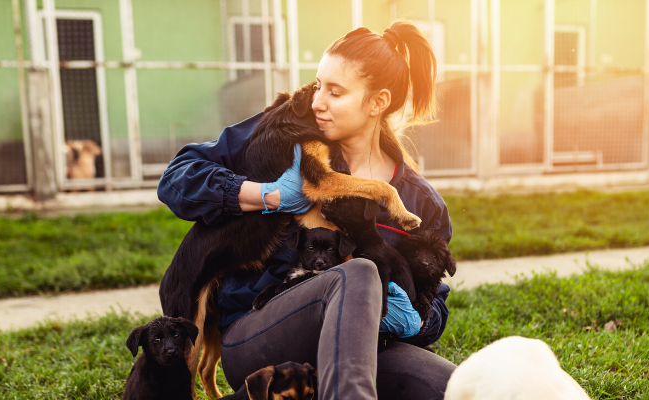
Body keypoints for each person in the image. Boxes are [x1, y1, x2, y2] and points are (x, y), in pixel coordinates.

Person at [158, 21, 455, 400]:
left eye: (335, 92)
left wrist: (414, 321)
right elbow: (177, 177)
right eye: (318, 85)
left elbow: (436, 303)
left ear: (378, 102)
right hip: (259, 338)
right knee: (357, 273)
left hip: (367, 347)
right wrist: (265, 194)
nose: (317, 101)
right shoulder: (284, 130)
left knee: (449, 388)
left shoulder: (419, 203)